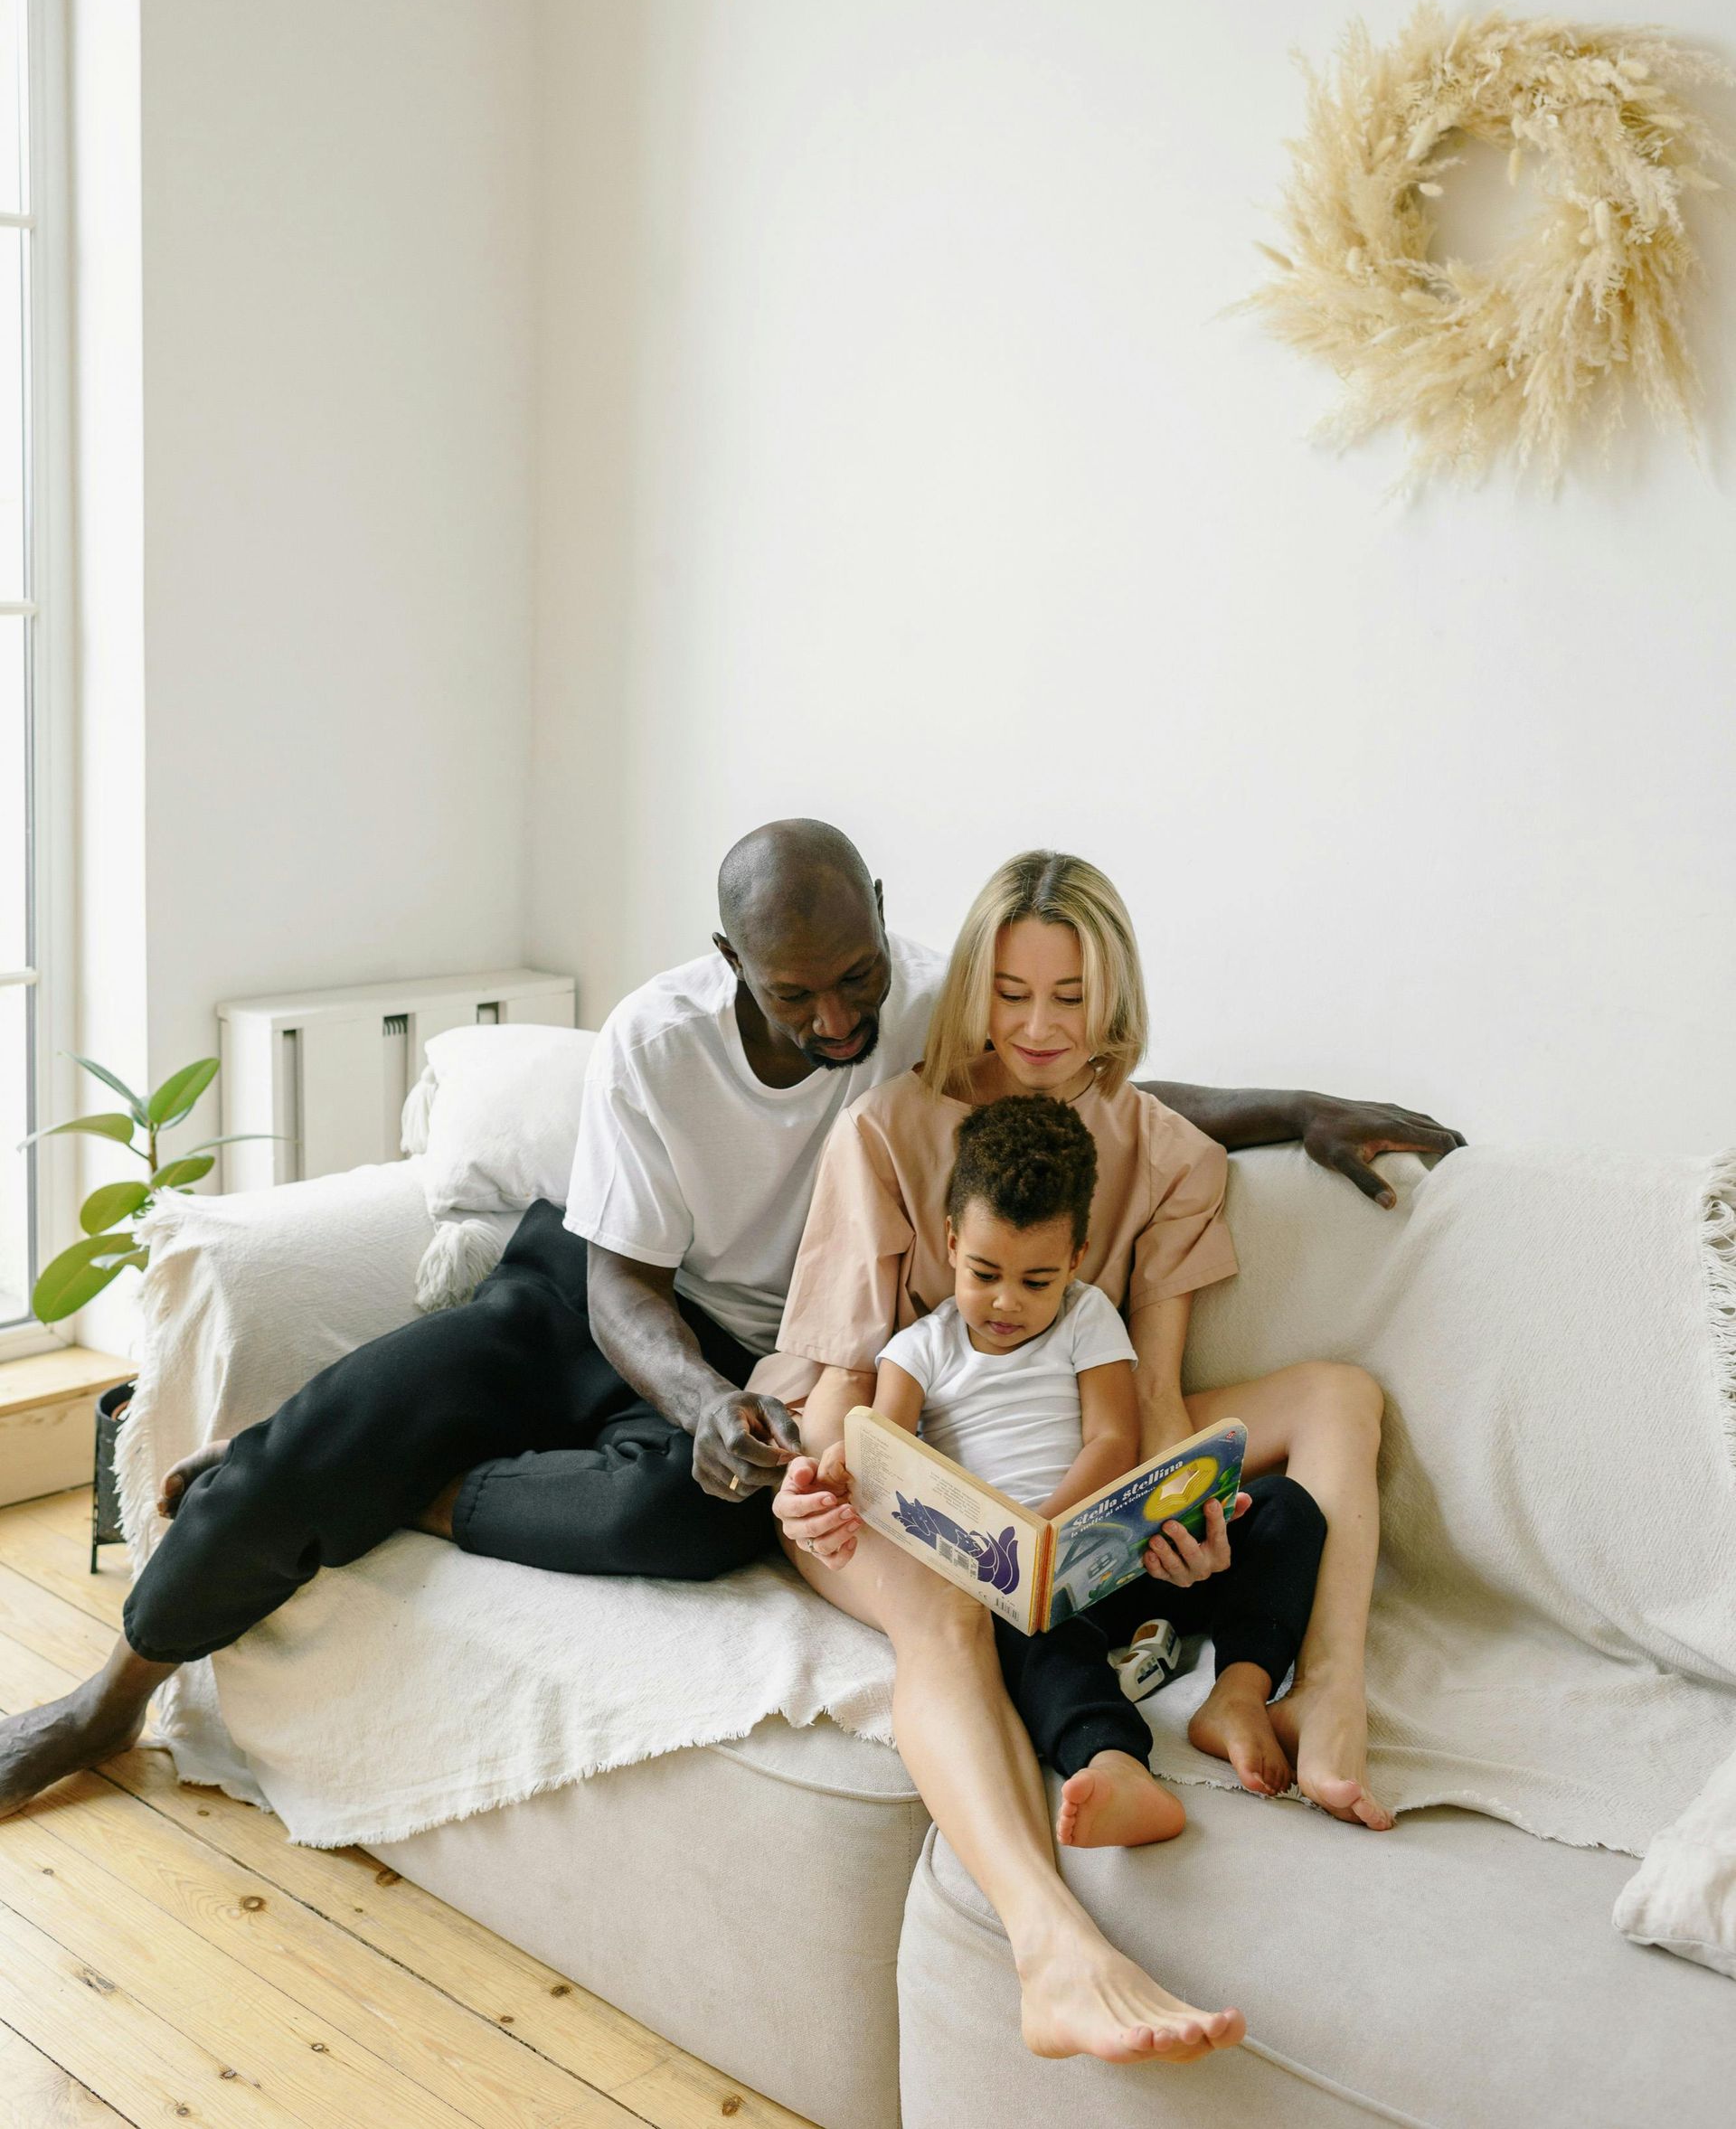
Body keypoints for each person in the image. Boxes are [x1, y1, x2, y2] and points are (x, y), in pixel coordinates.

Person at [0, 816, 1458, 1993]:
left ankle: (421, 1490)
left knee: (690, 1517)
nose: (837, 1015)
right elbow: (621, 1286)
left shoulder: (924, 998)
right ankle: (109, 1701)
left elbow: (1078, 1084)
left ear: (882, 925)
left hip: (756, 1375)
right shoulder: (661, 1039)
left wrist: (1297, 1111)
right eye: (795, 990)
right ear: (731, 963)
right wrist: (704, 1400)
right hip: (597, 1302)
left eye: (855, 980)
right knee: (349, 1430)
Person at [777, 849, 1401, 1835]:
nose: (1038, 1028)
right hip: (939, 1471)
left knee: (1342, 1395)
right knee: (1004, 1615)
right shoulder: (883, 1132)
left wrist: (1180, 1516)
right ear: (974, 987)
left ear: (1113, 997)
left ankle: (1322, 1687)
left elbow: (1149, 1395)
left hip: (1082, 1451)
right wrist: (820, 1481)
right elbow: (848, 1382)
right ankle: (1106, 1751)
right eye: (1011, 992)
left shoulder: (1169, 1154)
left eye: (1070, 997)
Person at [862, 1091, 1327, 1855]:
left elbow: (1114, 1439)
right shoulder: (919, 1350)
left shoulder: (1086, 1317)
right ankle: (1113, 1761)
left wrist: (1055, 1525)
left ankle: (1239, 1693)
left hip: (1115, 1553)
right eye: (984, 1273)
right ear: (950, 1242)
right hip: (1022, 1589)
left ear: (1075, 1259)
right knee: (1030, 1640)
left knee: (1284, 1506)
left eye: (1037, 1280)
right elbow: (888, 1454)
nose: (1006, 1301)